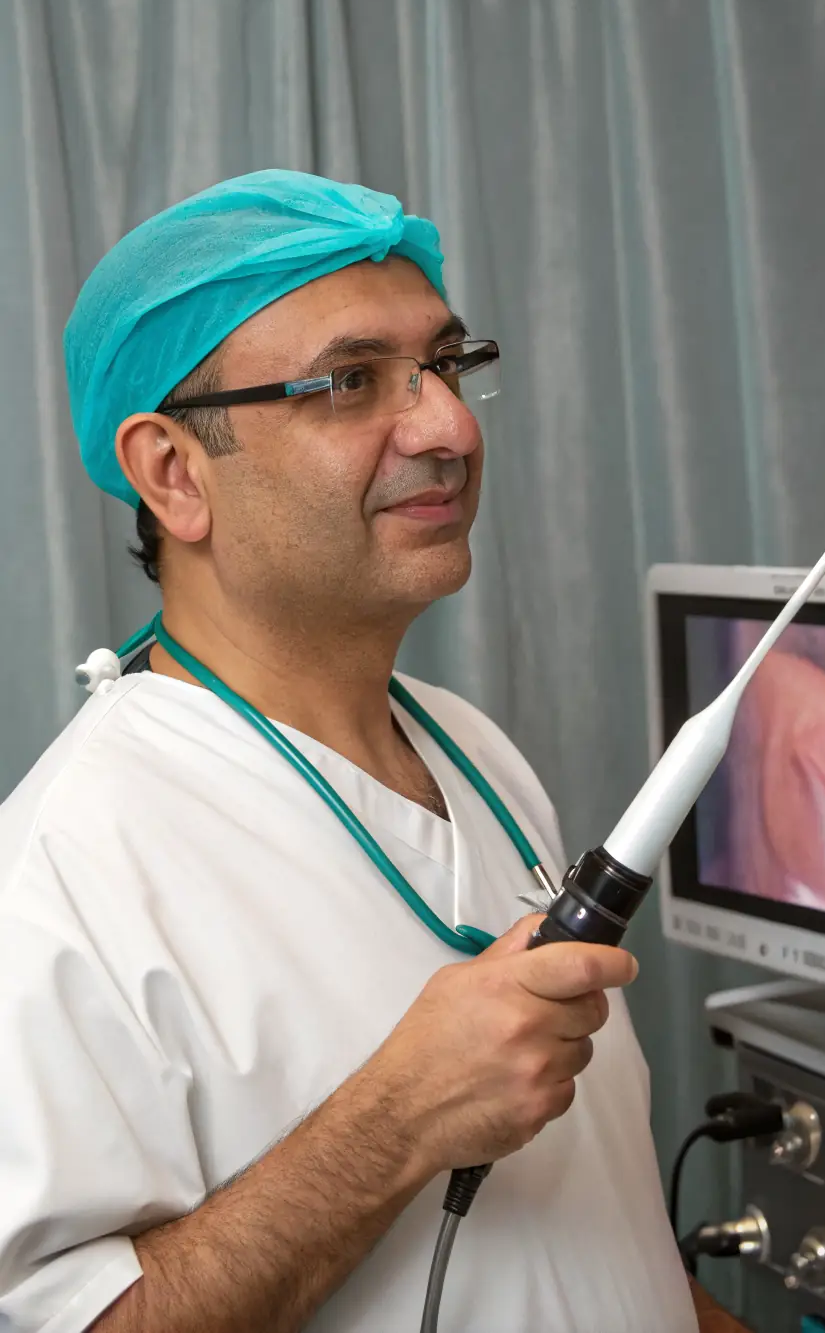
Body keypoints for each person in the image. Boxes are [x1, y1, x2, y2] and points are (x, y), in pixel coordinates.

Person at [0, 171, 741, 1332]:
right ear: (174, 474)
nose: (450, 428)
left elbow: (593, 1231)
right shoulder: (66, 870)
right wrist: (399, 1121)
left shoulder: (474, 752)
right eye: (350, 382)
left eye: (444, 364)